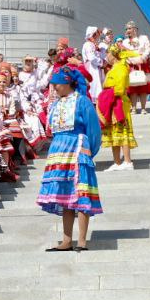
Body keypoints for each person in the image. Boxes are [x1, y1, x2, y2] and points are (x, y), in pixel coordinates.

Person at [37, 67, 103, 251]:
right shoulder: (56, 104)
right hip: (59, 149)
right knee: (66, 195)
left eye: (57, 84)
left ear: (67, 83)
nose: (55, 87)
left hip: (77, 147)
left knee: (81, 192)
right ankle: (66, 240)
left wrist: (89, 151)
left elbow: (94, 129)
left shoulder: (82, 102)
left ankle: (81, 240)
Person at [99, 45, 138, 171]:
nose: (106, 56)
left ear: (114, 55)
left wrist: (105, 94)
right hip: (112, 102)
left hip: (119, 103)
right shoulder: (114, 68)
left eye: (108, 53)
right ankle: (117, 162)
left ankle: (127, 161)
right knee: (114, 132)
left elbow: (120, 89)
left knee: (123, 131)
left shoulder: (121, 68)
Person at [121, 22, 150, 115]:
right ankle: (134, 108)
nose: (127, 31)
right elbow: (123, 53)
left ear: (135, 29)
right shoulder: (124, 42)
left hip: (142, 64)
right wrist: (128, 60)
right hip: (131, 65)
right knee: (132, 88)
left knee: (143, 87)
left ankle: (143, 108)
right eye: (126, 29)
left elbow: (148, 48)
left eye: (129, 28)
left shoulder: (143, 38)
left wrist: (143, 57)